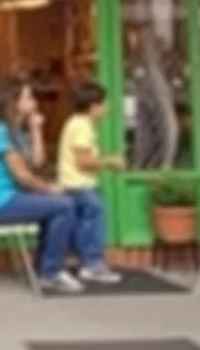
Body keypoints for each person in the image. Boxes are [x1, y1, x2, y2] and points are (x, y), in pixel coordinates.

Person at [0, 78, 84, 293]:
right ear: (14, 102)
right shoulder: (0, 132)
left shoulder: (15, 131)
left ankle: (47, 267)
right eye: (28, 97)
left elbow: (37, 163)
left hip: (6, 198)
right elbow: (23, 176)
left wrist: (36, 129)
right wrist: (49, 189)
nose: (34, 102)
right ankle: (50, 272)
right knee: (64, 205)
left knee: (59, 205)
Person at [56, 81, 125, 284]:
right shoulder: (82, 127)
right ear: (94, 106)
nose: (107, 108)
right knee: (95, 219)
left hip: (73, 184)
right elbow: (83, 161)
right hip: (80, 185)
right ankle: (93, 264)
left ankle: (80, 260)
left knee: (81, 224)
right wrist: (110, 161)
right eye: (105, 104)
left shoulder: (76, 123)